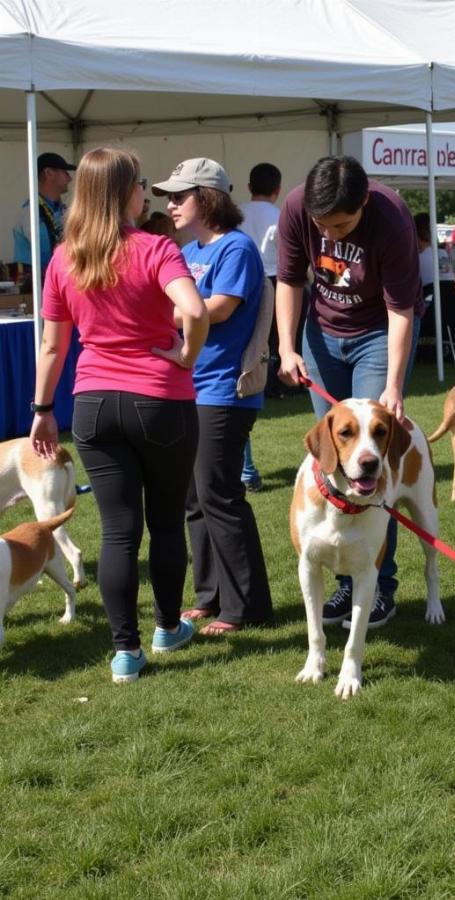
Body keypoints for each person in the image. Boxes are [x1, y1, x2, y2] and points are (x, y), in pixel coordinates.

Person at [29, 147, 209, 684]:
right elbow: (195, 310)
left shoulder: (65, 258)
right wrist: (186, 355)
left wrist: (41, 410)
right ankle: (168, 627)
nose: (146, 193)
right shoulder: (155, 249)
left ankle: (126, 653)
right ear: (122, 192)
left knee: (118, 531)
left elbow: (51, 347)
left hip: (93, 405)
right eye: (141, 184)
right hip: (162, 401)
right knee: (166, 521)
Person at [276, 155, 423, 628]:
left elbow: (402, 310)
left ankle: (380, 584)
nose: (331, 233)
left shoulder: (393, 218)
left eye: (340, 224)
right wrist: (285, 346)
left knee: (372, 459)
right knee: (335, 457)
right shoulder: (298, 206)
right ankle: (347, 583)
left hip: (379, 333)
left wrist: (394, 385)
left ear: (362, 202)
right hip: (320, 334)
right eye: (323, 225)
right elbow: (289, 280)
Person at [153, 157, 273, 636]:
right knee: (194, 499)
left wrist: (168, 317)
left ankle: (246, 606)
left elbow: (219, 310)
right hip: (191, 385)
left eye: (180, 196)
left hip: (223, 390)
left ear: (207, 198)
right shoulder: (190, 250)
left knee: (220, 495)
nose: (171, 204)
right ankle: (210, 596)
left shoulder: (236, 248)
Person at [239, 161, 284, 485]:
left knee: (247, 348)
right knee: (270, 345)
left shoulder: (236, 212)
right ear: (276, 189)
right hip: (274, 281)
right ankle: (273, 386)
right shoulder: (279, 216)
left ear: (249, 186)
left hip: (241, 284)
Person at [12, 152, 77, 275]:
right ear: (49, 173)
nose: (69, 178)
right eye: (65, 172)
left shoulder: (63, 210)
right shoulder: (30, 212)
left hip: (56, 278)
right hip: (36, 284)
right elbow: (44, 252)